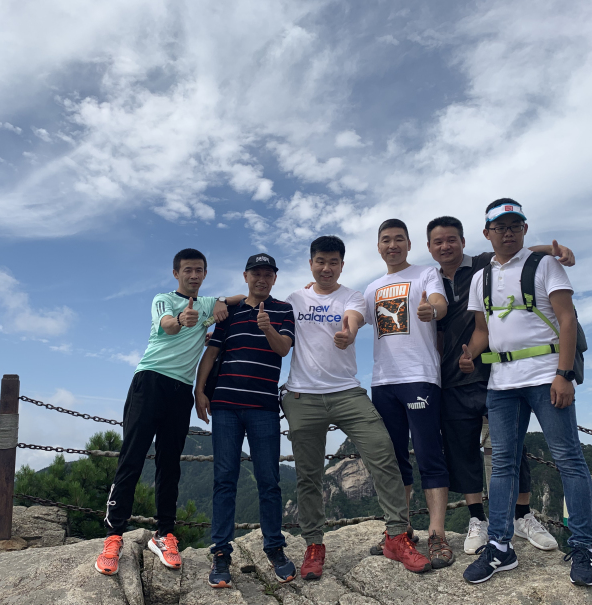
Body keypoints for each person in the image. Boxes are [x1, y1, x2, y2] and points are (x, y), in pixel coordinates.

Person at [460, 200, 592, 586]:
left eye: (515, 226)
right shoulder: (480, 278)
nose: (508, 232)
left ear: (523, 228)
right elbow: (483, 330)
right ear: (487, 233)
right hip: (501, 382)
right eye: (500, 227)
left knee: (568, 459)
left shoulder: (545, 265)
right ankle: (500, 546)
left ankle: (582, 547)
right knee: (503, 463)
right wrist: (469, 354)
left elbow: (566, 318)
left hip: (545, 376)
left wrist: (564, 374)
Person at [283, 235, 431, 580]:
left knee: (383, 455)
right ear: (310, 263)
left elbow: (352, 320)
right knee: (308, 475)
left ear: (341, 265)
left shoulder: (352, 296)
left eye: (333, 262)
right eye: (320, 261)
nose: (326, 268)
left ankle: (396, 536)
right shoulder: (294, 299)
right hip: (302, 396)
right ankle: (314, 545)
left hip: (347, 392)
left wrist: (347, 335)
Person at [427, 215, 574, 554]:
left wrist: (554, 250)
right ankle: (477, 519)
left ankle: (522, 515)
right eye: (438, 242)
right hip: (452, 376)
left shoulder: (482, 265)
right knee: (463, 448)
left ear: (464, 241)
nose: (446, 246)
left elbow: (516, 253)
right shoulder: (430, 280)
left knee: (511, 449)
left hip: (495, 373)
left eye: (451, 239)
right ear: (430, 248)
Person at [95, 248, 244, 576]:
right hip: (149, 382)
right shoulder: (163, 300)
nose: (194, 275)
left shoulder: (207, 303)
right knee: (132, 458)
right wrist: (181, 320)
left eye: (199, 270)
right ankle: (113, 536)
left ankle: (164, 534)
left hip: (181, 391)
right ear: (176, 273)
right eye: (188, 270)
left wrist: (222, 301)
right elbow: (168, 325)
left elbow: (241, 298)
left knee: (169, 464)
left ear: (205, 274)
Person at [194, 253, 297, 588]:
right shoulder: (231, 312)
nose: (262, 279)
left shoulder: (283, 310)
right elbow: (211, 352)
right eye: (256, 274)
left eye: (268, 274)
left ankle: (274, 548)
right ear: (246, 276)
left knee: (269, 480)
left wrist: (267, 328)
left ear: (274, 279)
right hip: (225, 405)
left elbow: (283, 349)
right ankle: (221, 553)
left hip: (264, 408)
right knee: (224, 479)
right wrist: (199, 390)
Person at [362, 219, 454, 568]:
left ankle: (437, 533)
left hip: (420, 377)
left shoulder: (425, 274)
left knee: (429, 453)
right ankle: (400, 531)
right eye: (386, 240)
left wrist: (433, 309)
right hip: (383, 381)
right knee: (393, 459)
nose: (392, 245)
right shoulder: (372, 288)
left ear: (409, 243)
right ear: (378, 247)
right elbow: (353, 313)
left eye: (399, 239)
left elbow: (439, 303)